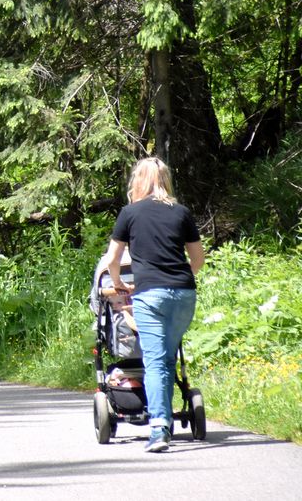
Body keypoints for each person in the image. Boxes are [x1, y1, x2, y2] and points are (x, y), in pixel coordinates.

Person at [104, 157, 205, 453]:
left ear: (139, 181)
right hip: (184, 295)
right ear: (165, 180)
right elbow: (197, 260)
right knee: (167, 358)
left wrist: (119, 283)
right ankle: (167, 415)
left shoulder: (130, 213)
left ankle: (160, 427)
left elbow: (112, 260)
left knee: (156, 361)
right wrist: (178, 277)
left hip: (150, 296)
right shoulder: (182, 212)